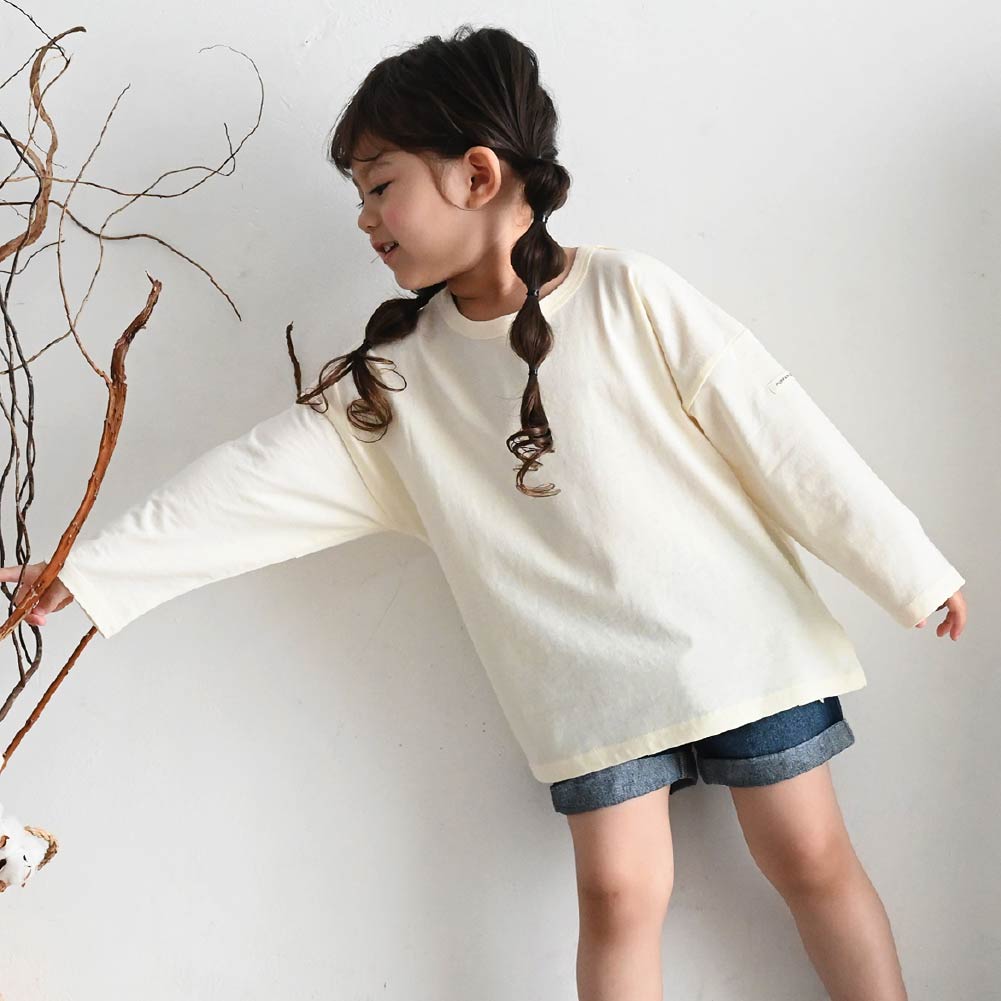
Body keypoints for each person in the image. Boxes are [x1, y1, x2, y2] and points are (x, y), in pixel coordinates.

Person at [0, 24, 966, 1001]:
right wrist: (91, 569)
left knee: (809, 857)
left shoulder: (627, 292)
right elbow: (245, 485)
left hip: (739, 642)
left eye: (380, 185)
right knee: (618, 896)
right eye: (358, 195)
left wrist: (907, 569)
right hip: (585, 684)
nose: (364, 219)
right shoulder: (396, 381)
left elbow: (774, 426)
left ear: (475, 174)